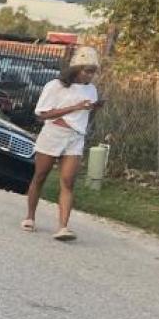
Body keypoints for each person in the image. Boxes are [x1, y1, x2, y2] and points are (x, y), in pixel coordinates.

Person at [23, 50, 102, 240]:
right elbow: (41, 114)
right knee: (40, 176)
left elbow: (86, 114)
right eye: (87, 71)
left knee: (68, 181)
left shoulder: (91, 89)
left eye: (93, 72)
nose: (90, 75)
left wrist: (93, 108)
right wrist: (74, 107)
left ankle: (63, 227)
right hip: (54, 134)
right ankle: (30, 217)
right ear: (76, 69)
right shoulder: (55, 86)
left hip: (75, 137)